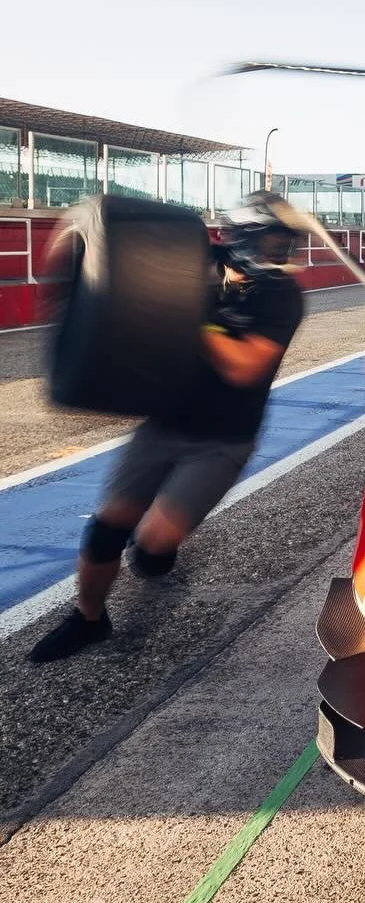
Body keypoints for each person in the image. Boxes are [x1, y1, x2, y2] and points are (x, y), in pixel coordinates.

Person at [29, 193, 306, 664]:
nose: (279, 251)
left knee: (151, 548)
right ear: (239, 234)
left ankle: (160, 550)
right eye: (272, 238)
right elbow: (118, 252)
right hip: (164, 420)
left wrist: (193, 316)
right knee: (105, 527)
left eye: (285, 241)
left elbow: (244, 368)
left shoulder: (281, 296)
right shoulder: (191, 263)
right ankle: (89, 618)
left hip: (222, 438)